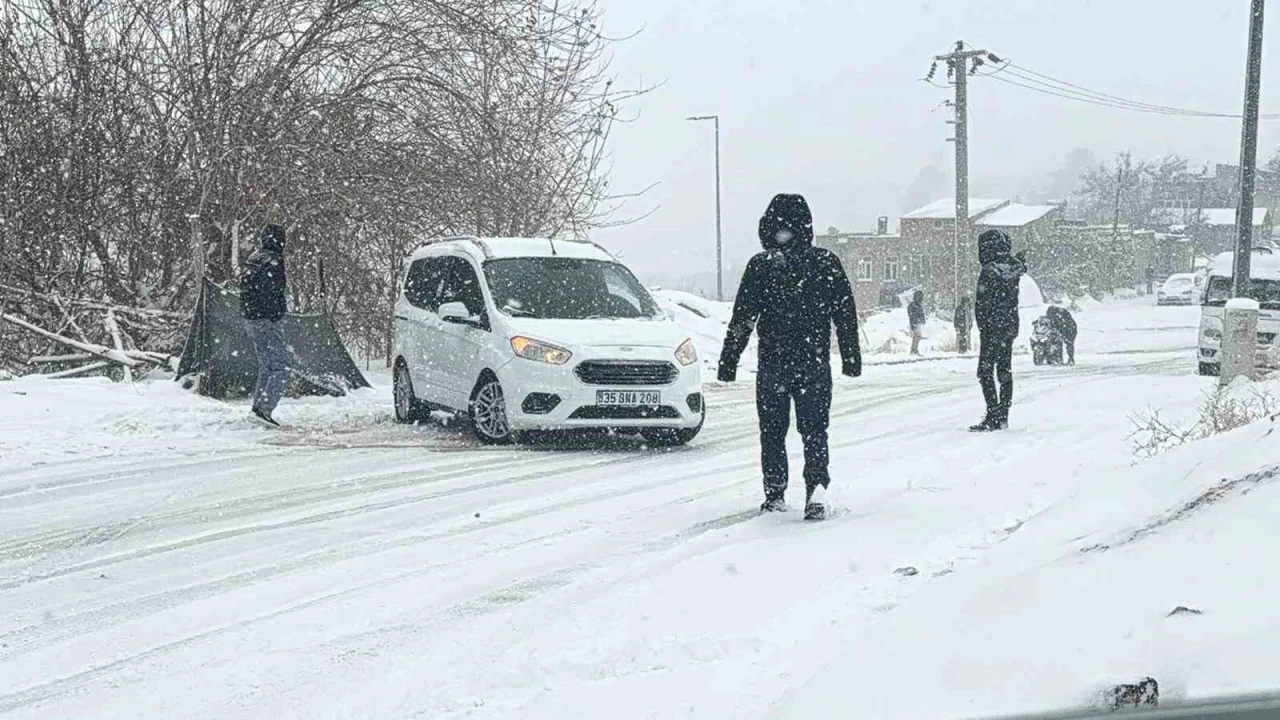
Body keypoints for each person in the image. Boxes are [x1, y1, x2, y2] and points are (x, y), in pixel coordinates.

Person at [718, 194, 862, 521]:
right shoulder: (826, 263)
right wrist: (851, 357)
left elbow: (743, 318)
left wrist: (729, 360)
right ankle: (816, 490)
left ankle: (774, 493)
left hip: (774, 364)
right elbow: (845, 314)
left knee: (772, 431)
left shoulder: (761, 266)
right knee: (814, 430)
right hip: (813, 362)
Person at [971, 229, 1026, 432]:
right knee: (1004, 370)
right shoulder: (1013, 270)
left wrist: (983, 325)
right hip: (1009, 326)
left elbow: (983, 304)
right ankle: (1003, 414)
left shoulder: (989, 271)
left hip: (992, 328)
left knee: (985, 371)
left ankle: (992, 413)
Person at [240, 224, 290, 427]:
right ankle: (264, 408)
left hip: (249, 318)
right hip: (265, 319)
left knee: (266, 365)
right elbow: (272, 292)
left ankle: (258, 407)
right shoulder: (274, 261)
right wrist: (277, 314)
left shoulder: (254, 258)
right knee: (281, 367)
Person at [907, 289, 925, 356]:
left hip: (917, 323)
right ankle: (914, 350)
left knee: (918, 336)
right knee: (917, 336)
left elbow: (921, 314)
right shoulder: (913, 305)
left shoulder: (918, 305)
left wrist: (922, 321)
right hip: (915, 323)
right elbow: (912, 315)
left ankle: (914, 349)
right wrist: (916, 321)